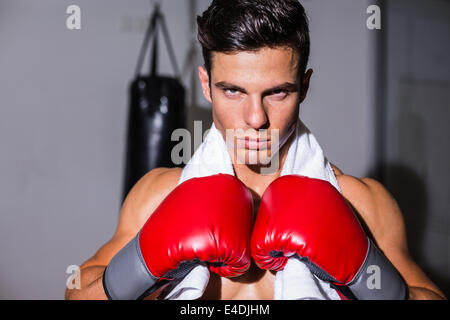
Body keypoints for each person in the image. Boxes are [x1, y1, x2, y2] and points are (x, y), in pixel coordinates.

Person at [65, 0, 445, 300]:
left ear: (305, 86)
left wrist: (364, 277)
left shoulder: (363, 204)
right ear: (206, 84)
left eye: (277, 92)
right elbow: (77, 292)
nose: (255, 117)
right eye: (233, 90)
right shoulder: (159, 195)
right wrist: (144, 266)